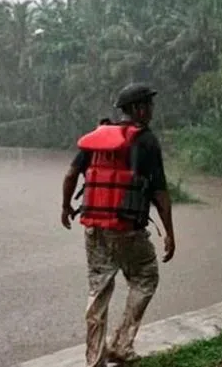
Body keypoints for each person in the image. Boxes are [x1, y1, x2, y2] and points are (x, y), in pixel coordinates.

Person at [61, 82, 175, 367]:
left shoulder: (98, 136)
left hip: (95, 228)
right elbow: (160, 191)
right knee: (146, 276)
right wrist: (170, 233)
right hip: (127, 230)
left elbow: (71, 174)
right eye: (148, 105)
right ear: (137, 109)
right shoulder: (146, 140)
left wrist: (66, 207)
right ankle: (122, 344)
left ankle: (95, 360)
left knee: (98, 290)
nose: (151, 110)